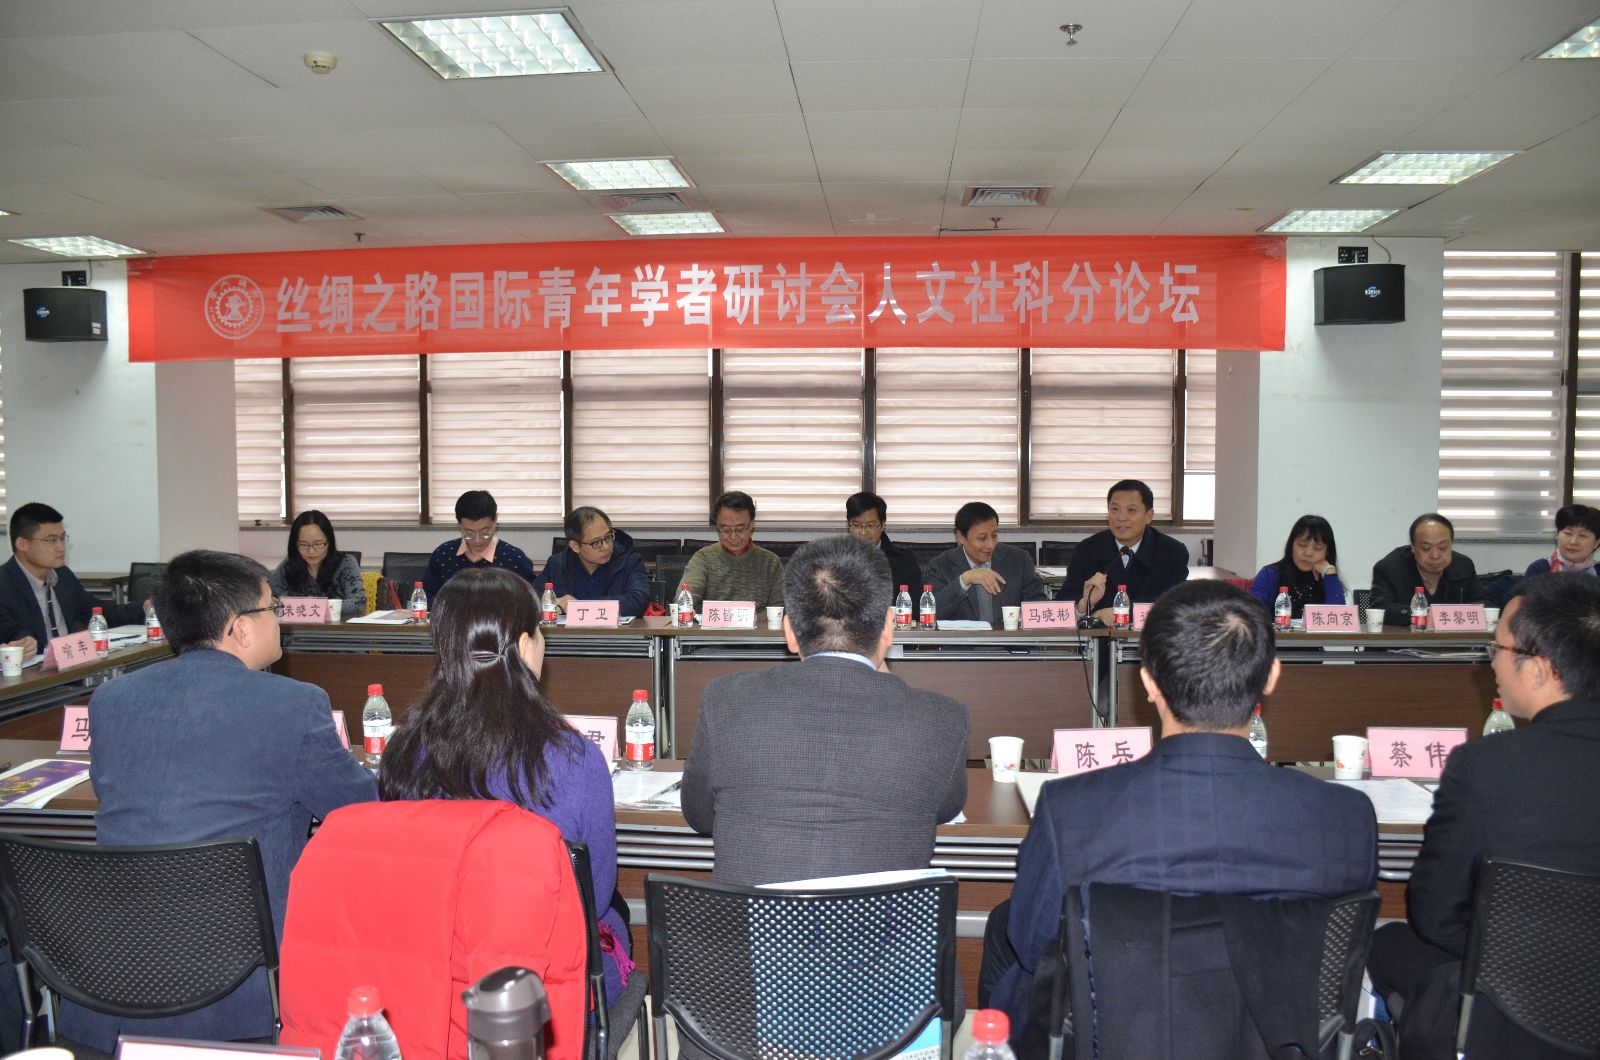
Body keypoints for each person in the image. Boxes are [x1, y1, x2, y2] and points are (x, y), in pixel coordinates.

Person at [984, 580, 1377, 1040]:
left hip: (1115, 1039)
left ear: (1149, 683)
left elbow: (1033, 946)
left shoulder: (1071, 810)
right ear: (1271, 676)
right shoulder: (1348, 817)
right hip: (1279, 1043)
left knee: (1010, 942)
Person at [69, 550, 376, 1050]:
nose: (279, 620)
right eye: (272, 608)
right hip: (244, 978)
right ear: (239, 627)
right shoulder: (294, 704)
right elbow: (358, 810)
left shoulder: (111, 700)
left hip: (113, 970)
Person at [1367, 573, 1600, 1060]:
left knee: (1386, 941)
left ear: (1538, 670)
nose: (1490, 660)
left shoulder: (1486, 766)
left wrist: (1512, 951)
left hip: (1509, 1019)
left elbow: (1434, 917)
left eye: (1496, 648)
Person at [379, 568, 631, 1003]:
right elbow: (595, 890)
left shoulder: (403, 751)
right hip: (548, 986)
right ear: (525, 645)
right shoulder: (574, 758)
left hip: (436, 981)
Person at [681, 534, 970, 886]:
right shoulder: (943, 719)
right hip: (880, 924)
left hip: (751, 922)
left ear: (789, 631)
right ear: (889, 627)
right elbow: (944, 809)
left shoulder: (725, 699)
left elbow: (699, 816)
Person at [0, 501, 143, 650]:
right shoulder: (4, 584)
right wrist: (23, 641)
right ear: (22, 544)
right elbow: (8, 630)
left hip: (71, 661)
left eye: (62, 538)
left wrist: (143, 608)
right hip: (32, 664)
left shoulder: (62, 575)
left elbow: (99, 613)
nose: (61, 547)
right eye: (51, 540)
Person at [1059, 480, 1190, 621]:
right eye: (1115, 509)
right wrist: (1084, 605)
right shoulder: (1087, 550)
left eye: (1131, 510)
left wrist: (1123, 613)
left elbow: (1174, 605)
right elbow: (1063, 603)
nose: (1121, 518)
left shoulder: (1172, 553)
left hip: (1151, 633)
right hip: (1098, 635)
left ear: (1149, 516)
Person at [924, 502, 1048, 623]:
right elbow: (931, 613)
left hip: (1007, 636)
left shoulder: (1019, 560)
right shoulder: (941, 565)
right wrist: (965, 579)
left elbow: (1038, 606)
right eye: (982, 538)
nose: (990, 545)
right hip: (964, 637)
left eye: (994, 536)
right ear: (961, 536)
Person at [1368, 513, 1486, 626]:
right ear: (1413, 547)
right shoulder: (1390, 568)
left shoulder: (1463, 566)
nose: (1435, 555)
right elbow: (1380, 610)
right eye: (1426, 548)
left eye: (1443, 547)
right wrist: (1427, 614)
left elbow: (1485, 603)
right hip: (1404, 639)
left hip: (1452, 640)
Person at [421, 489, 538, 601]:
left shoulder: (514, 558)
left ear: (495, 520)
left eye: (484, 532)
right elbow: (425, 597)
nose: (477, 540)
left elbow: (532, 601)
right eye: (469, 533)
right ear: (459, 524)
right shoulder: (443, 554)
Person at [539, 506, 651, 619]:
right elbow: (534, 600)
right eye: (596, 542)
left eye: (608, 537)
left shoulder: (629, 560)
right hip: (570, 630)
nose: (606, 547)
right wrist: (553, 604)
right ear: (575, 546)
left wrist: (580, 606)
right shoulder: (557, 564)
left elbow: (638, 601)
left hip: (618, 630)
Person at [681, 490, 785, 609]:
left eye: (740, 529)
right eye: (725, 530)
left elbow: (780, 608)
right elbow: (684, 600)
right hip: (713, 621)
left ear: (752, 525)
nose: (733, 537)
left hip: (759, 621)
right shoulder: (703, 558)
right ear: (717, 527)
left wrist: (751, 618)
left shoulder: (770, 562)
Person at [268, 510, 366, 616]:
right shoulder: (289, 565)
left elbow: (359, 603)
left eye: (318, 544)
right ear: (295, 544)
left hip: (338, 625)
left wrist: (316, 605)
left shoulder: (346, 563)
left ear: (329, 542)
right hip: (297, 626)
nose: (311, 551)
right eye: (304, 544)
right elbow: (268, 598)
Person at [1248, 514, 1346, 618]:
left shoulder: (1329, 580)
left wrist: (1330, 573)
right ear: (1291, 545)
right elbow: (1251, 617)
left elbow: (1338, 620)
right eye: (1302, 545)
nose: (1308, 553)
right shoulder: (1269, 575)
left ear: (1327, 552)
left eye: (1317, 548)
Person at [845, 490, 923, 616]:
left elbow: (916, 608)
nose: (863, 532)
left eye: (871, 525)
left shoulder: (905, 561)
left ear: (882, 525)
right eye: (856, 525)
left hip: (892, 626)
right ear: (849, 525)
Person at [1523, 502, 1599, 577]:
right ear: (1557, 535)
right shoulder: (1539, 569)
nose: (1573, 542)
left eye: (1582, 535)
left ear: (1596, 542)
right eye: (1568, 533)